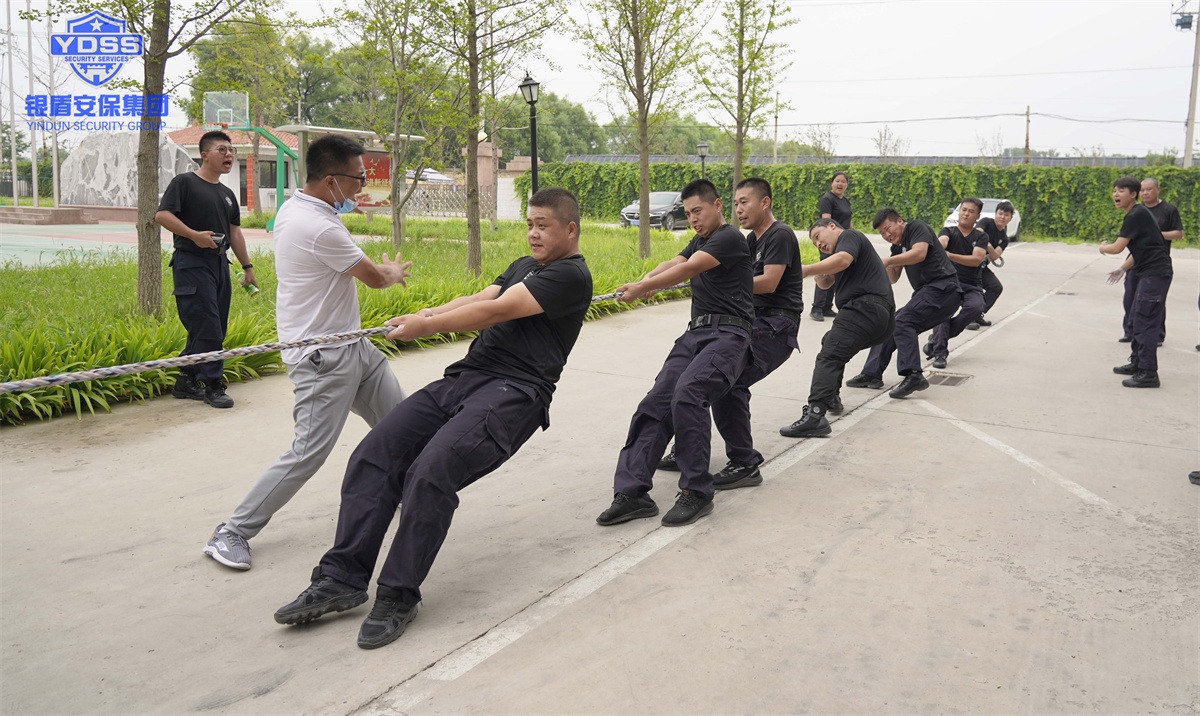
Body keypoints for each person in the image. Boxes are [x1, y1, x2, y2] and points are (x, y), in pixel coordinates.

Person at [273, 188, 592, 649]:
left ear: (570, 229)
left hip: (516, 393)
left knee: (430, 472)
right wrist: (428, 311)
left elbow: (497, 311)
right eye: (529, 223)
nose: (533, 233)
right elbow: (480, 295)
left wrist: (427, 327)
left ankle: (399, 594)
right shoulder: (526, 266)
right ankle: (341, 578)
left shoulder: (570, 275)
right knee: (375, 453)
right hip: (469, 376)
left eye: (543, 225)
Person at [204, 133, 414, 571]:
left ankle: (408, 496)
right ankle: (232, 531)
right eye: (358, 178)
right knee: (307, 452)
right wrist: (392, 272)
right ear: (332, 179)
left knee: (402, 422)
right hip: (323, 357)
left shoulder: (300, 208)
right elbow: (374, 277)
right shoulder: (315, 225)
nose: (362, 187)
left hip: (351, 343)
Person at [596, 179, 753, 528]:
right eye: (687, 213)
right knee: (656, 402)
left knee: (689, 393)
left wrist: (645, 288)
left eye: (698, 211)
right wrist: (643, 281)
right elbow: (673, 261)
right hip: (695, 333)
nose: (693, 219)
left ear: (717, 206)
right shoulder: (700, 239)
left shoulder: (729, 238)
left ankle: (696, 491)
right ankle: (632, 492)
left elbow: (688, 269)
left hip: (729, 335)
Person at [656, 177, 805, 487]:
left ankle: (744, 462)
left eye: (745, 202)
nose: (739, 209)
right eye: (736, 203)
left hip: (776, 324)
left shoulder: (780, 234)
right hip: (751, 321)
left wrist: (724, 282)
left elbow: (770, 282)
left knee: (726, 379)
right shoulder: (748, 241)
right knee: (705, 376)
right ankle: (690, 449)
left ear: (765, 202)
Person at [155, 130, 258, 409]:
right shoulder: (185, 183)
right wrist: (193, 235)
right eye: (222, 150)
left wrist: (247, 267)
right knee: (208, 325)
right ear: (205, 155)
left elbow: (235, 232)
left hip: (219, 264)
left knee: (212, 326)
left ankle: (186, 379)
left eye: (231, 151)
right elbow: (162, 215)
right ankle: (213, 384)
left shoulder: (226, 194)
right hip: (191, 263)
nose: (229, 155)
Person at [780, 218, 895, 437]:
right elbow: (826, 282)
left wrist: (807, 269)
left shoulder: (849, 236)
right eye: (814, 244)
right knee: (831, 342)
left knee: (830, 354)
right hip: (880, 318)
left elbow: (842, 260)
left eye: (817, 237)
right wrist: (819, 271)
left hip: (864, 308)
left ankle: (815, 415)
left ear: (832, 226)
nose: (818, 244)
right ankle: (831, 396)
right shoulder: (840, 253)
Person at [845, 208, 962, 399]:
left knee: (903, 322)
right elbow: (893, 278)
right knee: (891, 323)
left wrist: (888, 260)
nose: (887, 235)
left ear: (900, 221)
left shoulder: (916, 227)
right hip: (926, 294)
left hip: (943, 289)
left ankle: (913, 374)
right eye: (882, 233)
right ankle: (872, 373)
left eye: (888, 228)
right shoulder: (897, 247)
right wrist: (879, 266)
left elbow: (920, 253)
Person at [1101, 177, 1172, 388]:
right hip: (1147, 273)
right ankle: (1137, 363)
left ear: (1133, 194)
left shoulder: (1135, 215)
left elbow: (1117, 248)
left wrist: (1102, 248)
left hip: (1155, 274)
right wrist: (1122, 268)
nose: (1116, 194)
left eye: (1121, 190)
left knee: (1145, 322)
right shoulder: (1138, 214)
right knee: (1136, 318)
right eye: (1114, 190)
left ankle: (1149, 373)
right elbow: (1141, 248)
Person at [924, 197, 988, 369]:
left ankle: (936, 338)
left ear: (977, 216)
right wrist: (940, 246)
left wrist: (951, 256)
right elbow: (941, 243)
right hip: (949, 283)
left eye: (971, 211)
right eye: (964, 210)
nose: (966, 214)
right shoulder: (948, 231)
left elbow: (976, 259)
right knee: (943, 313)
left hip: (972, 285)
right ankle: (939, 354)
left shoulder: (981, 236)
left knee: (976, 306)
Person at [1118, 177, 1182, 345]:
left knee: (1152, 302)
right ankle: (1130, 332)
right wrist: (1122, 268)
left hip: (1155, 263)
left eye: (1149, 189)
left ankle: (1157, 336)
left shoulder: (1168, 210)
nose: (1145, 193)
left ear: (1158, 190)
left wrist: (1154, 234)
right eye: (1142, 190)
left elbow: (1178, 233)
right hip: (1136, 260)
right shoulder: (1137, 210)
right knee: (1131, 296)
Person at [966, 200, 1015, 330]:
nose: (1002, 217)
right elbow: (976, 235)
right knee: (975, 290)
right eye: (1000, 213)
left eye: (1006, 215)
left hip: (981, 266)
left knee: (995, 287)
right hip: (968, 263)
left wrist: (987, 245)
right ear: (996, 214)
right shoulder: (986, 222)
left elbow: (995, 256)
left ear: (1010, 218)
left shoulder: (1004, 238)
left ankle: (977, 315)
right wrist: (987, 244)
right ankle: (967, 318)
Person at [811, 171, 851, 322]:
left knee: (837, 271)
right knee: (825, 270)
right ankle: (816, 308)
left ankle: (827, 306)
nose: (840, 184)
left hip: (843, 242)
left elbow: (848, 221)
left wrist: (852, 235)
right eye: (837, 181)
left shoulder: (845, 201)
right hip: (829, 241)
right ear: (832, 183)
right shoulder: (827, 199)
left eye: (843, 182)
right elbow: (825, 223)